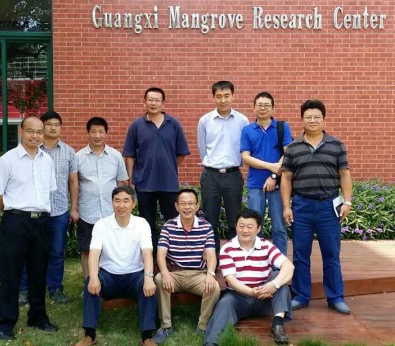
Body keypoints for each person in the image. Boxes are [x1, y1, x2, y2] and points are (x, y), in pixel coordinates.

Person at [0, 116, 59, 341]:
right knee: (10, 274)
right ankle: (4, 322)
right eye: (31, 131)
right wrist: (13, 213)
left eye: (39, 132)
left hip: (41, 222)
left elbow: (49, 191)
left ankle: (38, 316)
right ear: (21, 131)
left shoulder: (47, 161)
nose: (35, 136)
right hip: (15, 222)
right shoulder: (6, 161)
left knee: (39, 272)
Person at [281, 99, 353, 314]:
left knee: (331, 254)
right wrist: (286, 207)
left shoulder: (336, 145)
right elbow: (286, 178)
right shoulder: (292, 148)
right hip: (301, 206)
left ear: (324, 120)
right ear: (302, 120)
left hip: (328, 207)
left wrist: (347, 201)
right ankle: (301, 296)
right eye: (308, 117)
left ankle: (335, 297)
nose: (312, 120)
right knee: (300, 254)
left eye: (317, 117)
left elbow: (344, 174)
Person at [74, 186, 158, 346]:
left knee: (149, 285)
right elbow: (94, 253)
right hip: (109, 276)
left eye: (126, 201)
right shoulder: (102, 224)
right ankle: (89, 335)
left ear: (133, 203)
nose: (121, 205)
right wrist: (93, 277)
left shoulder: (141, 224)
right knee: (90, 282)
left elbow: (147, 253)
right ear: (112, 203)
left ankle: (147, 336)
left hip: (135, 276)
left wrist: (148, 277)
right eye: (117, 201)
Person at [203, 210, 294, 346]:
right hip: (238, 297)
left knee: (279, 278)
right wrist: (252, 292)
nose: (245, 230)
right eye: (241, 226)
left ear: (258, 229)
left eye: (250, 227)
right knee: (224, 303)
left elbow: (289, 266)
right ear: (236, 227)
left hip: (265, 297)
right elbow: (231, 280)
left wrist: (273, 285)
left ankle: (277, 326)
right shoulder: (227, 249)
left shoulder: (266, 246)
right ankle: (212, 342)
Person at [17, 111, 77, 306]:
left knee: (57, 252)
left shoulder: (69, 152)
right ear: (42, 128)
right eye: (49, 124)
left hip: (59, 211)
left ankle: (55, 289)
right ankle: (24, 290)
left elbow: (73, 182)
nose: (53, 128)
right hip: (34, 210)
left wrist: (73, 208)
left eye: (56, 124)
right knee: (28, 251)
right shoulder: (33, 149)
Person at [123, 87, 191, 252]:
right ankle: (151, 258)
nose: (153, 103)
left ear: (163, 103)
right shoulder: (136, 125)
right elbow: (129, 155)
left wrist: (168, 165)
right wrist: (131, 180)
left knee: (172, 222)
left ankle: (173, 255)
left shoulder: (173, 124)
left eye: (157, 100)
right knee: (147, 224)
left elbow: (181, 153)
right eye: (150, 100)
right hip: (144, 183)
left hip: (169, 183)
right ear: (145, 102)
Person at [153, 188, 220, 344]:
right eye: (183, 204)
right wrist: (165, 273)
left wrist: (210, 274)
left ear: (197, 206)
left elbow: (211, 255)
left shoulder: (206, 227)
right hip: (174, 275)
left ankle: (202, 327)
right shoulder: (168, 226)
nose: (187, 207)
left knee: (215, 287)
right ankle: (165, 326)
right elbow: (160, 254)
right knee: (159, 279)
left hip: (198, 274)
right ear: (177, 206)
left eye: (191, 203)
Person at [72, 117, 129, 278]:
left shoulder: (115, 156)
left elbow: (122, 183)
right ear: (88, 133)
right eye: (93, 131)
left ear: (106, 134)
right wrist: (74, 209)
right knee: (87, 250)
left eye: (101, 132)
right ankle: (88, 282)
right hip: (87, 212)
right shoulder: (78, 157)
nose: (97, 135)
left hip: (111, 212)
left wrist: (123, 207)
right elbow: (74, 184)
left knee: (111, 250)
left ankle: (108, 281)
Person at [240, 92, 293, 255]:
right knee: (254, 227)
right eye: (259, 105)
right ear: (254, 108)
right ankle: (258, 261)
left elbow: (288, 153)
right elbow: (246, 158)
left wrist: (274, 176)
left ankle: (279, 264)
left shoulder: (282, 127)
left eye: (266, 105)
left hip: (279, 185)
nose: (263, 108)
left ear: (273, 108)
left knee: (279, 228)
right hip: (255, 185)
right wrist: (271, 167)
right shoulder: (247, 130)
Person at [197, 81, 249, 247]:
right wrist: (211, 164)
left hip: (233, 174)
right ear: (213, 98)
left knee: (235, 218)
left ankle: (233, 253)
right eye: (219, 96)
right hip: (210, 175)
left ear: (233, 96)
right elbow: (202, 148)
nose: (223, 100)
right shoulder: (205, 120)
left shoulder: (242, 120)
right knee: (210, 218)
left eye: (227, 96)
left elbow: (246, 147)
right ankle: (213, 255)